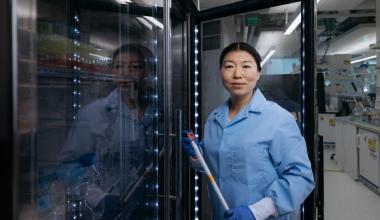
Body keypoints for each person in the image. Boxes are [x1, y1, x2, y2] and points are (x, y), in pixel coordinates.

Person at [182, 42, 315, 220]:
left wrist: (256, 212)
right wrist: (197, 157)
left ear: (258, 73)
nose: (237, 74)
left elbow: (301, 177)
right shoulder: (214, 118)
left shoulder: (278, 118)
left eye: (246, 66)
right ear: (220, 72)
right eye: (229, 66)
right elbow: (217, 167)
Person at [55, 43, 155, 219]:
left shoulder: (157, 111)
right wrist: (98, 198)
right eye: (118, 66)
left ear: (147, 73)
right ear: (111, 73)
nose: (125, 73)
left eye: (135, 67)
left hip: (151, 209)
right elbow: (67, 167)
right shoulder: (94, 113)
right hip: (108, 213)